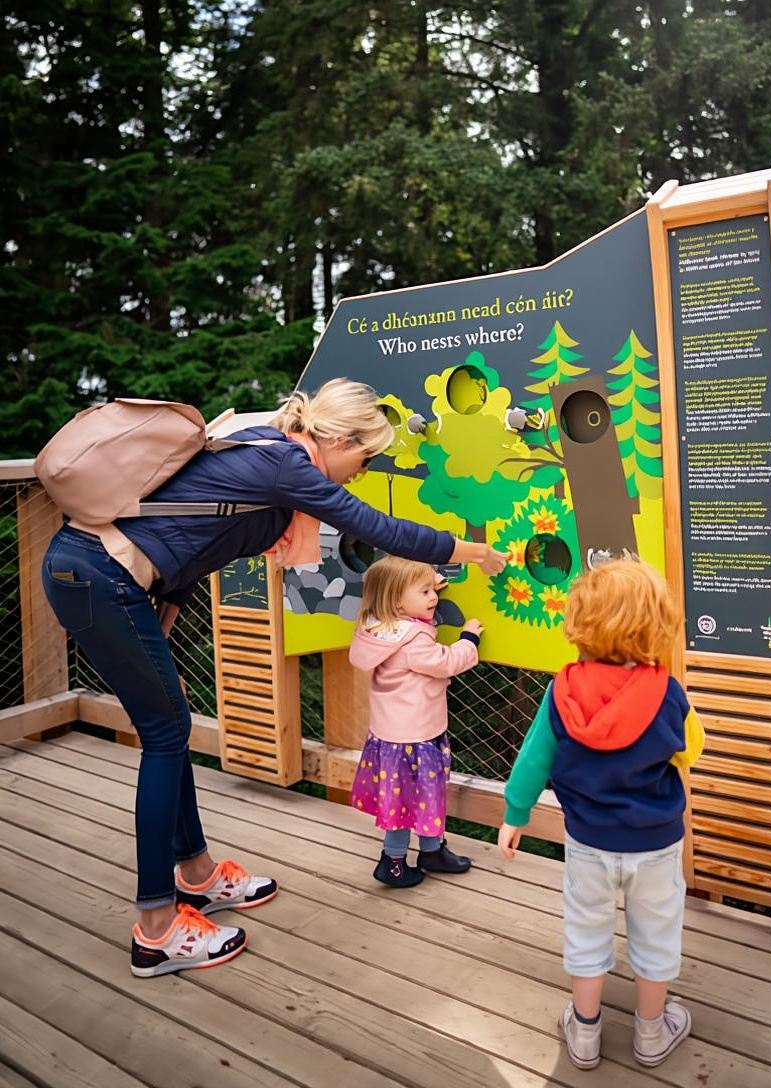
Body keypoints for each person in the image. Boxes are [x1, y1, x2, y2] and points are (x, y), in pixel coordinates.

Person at [41, 379, 506, 976]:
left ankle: (197, 875)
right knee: (165, 734)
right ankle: (157, 929)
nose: (360, 474)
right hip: (100, 576)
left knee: (169, 727)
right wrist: (468, 552)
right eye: (363, 460)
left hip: (108, 580)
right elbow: (378, 529)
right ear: (338, 440)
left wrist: (161, 627)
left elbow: (189, 542)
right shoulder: (283, 462)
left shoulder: (264, 457)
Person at [497, 560, 704, 1071]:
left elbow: (532, 761)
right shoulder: (668, 693)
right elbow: (690, 750)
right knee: (655, 933)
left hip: (587, 842)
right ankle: (652, 1033)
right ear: (655, 625)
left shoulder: (561, 692)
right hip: (656, 844)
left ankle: (585, 1033)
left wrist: (515, 813)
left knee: (586, 931)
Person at [349, 555, 483, 887]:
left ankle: (432, 850)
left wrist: (424, 584)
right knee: (412, 798)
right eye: (425, 592)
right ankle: (392, 861)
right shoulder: (414, 640)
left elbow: (410, 604)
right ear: (397, 601)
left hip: (393, 735)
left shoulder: (380, 627)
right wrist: (469, 639)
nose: (434, 597)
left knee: (420, 794)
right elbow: (445, 661)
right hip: (416, 738)